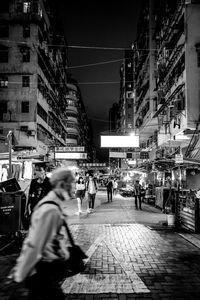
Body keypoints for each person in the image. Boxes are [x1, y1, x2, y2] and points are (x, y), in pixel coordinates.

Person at [9, 167, 75, 300]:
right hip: (42, 272)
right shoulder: (49, 209)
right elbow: (35, 243)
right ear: (62, 184)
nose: (74, 188)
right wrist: (21, 272)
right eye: (71, 184)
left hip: (47, 270)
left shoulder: (52, 204)